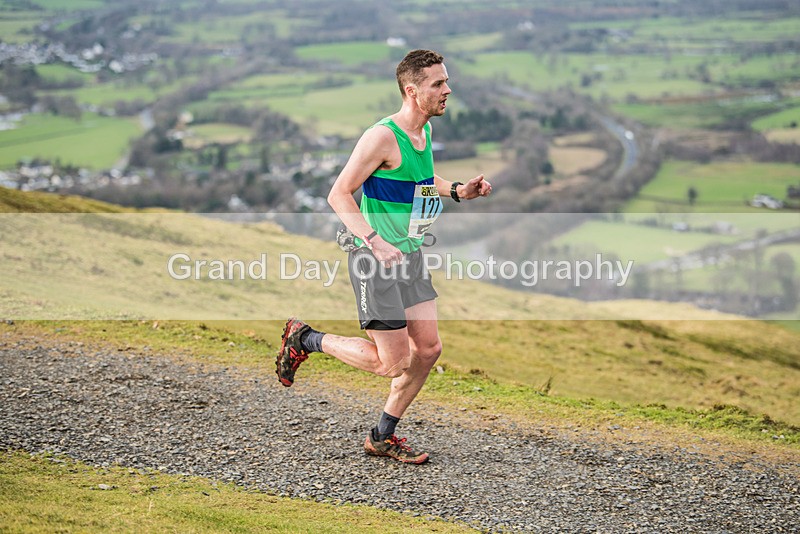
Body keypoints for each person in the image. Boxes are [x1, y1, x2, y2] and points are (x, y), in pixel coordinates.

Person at [276, 49, 492, 464]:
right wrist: (374, 240)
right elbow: (338, 194)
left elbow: (420, 182)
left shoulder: (422, 133)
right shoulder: (381, 136)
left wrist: (459, 190)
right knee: (392, 363)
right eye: (438, 84)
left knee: (427, 350)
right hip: (372, 258)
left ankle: (382, 436)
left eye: (446, 81)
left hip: (408, 256)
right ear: (413, 91)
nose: (448, 90)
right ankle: (304, 339)